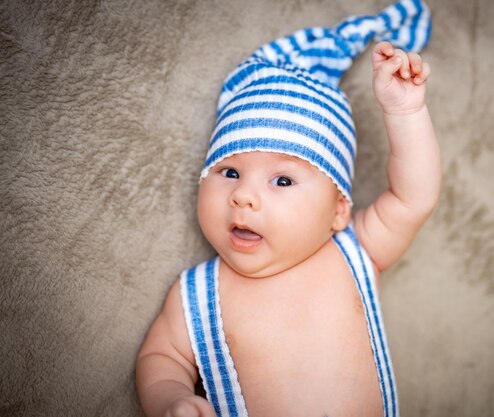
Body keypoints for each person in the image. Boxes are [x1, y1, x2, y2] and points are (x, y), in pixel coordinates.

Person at [136, 1, 440, 416]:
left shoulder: (353, 253)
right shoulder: (197, 293)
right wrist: (172, 401)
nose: (243, 196)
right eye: (229, 171)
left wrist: (405, 112)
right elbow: (162, 359)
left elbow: (414, 197)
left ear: (337, 211)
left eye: (282, 180)